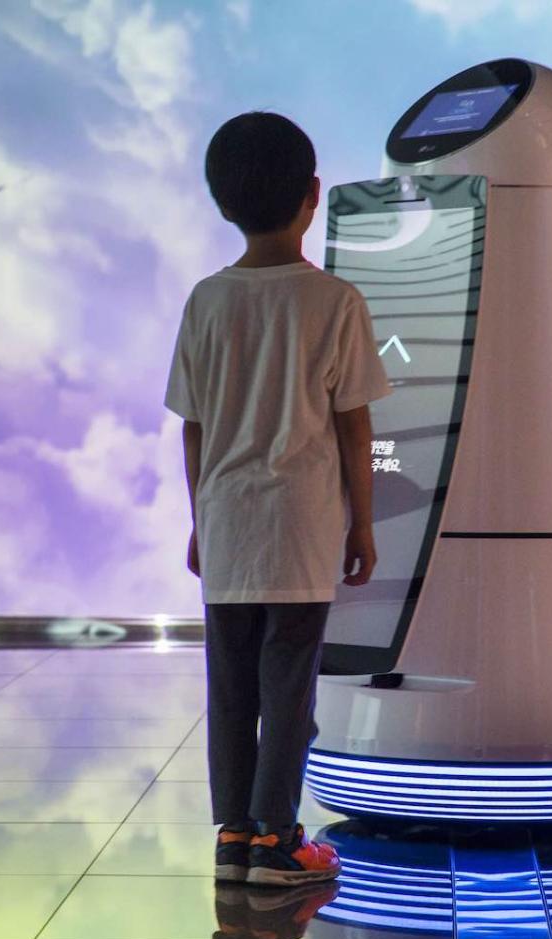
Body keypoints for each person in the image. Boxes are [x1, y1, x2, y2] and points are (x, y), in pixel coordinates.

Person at [164, 111, 390, 886]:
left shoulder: (206, 300)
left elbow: (193, 429)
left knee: (229, 686)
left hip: (227, 522)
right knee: (287, 687)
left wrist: (200, 520)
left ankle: (233, 839)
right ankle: (279, 841)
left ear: (222, 201)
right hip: (300, 526)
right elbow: (354, 430)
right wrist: (363, 521)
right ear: (313, 196)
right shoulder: (335, 302)